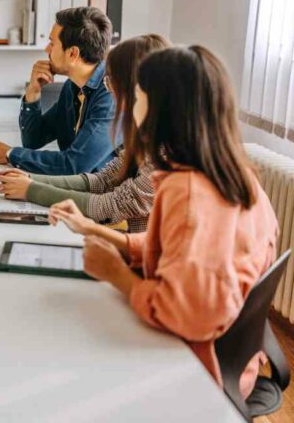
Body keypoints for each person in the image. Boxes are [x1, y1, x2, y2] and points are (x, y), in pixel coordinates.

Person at [48, 46, 279, 399]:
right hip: (234, 361)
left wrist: (118, 275)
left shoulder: (186, 191)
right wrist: (102, 235)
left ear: (161, 110)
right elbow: (184, 251)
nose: (130, 107)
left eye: (138, 96)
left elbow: (186, 314)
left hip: (197, 371)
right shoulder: (236, 176)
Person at [0, 34, 171, 233]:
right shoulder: (145, 137)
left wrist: (30, 189)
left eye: (114, 82)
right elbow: (101, 181)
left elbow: (110, 204)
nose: (111, 91)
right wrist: (30, 179)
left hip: (145, 256)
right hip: (130, 243)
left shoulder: (170, 152)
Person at [0, 7, 116, 175]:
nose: (47, 49)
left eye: (52, 43)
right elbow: (33, 140)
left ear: (72, 54)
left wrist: (10, 154)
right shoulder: (72, 88)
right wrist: (33, 92)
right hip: (76, 191)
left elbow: (75, 165)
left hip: (104, 197)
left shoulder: (111, 94)